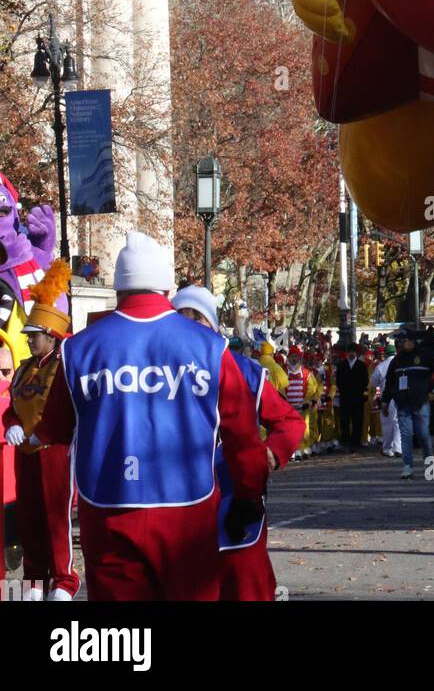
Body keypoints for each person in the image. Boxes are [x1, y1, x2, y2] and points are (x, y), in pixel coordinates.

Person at [34, 231, 268, 601]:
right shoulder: (210, 347)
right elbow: (243, 436)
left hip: (108, 512)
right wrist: (248, 496)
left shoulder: (78, 350)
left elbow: (53, 431)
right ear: (166, 287)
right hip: (188, 513)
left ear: (119, 288)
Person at [173, 285, 305, 601]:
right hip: (177, 509)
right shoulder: (156, 371)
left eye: (198, 320)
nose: (191, 328)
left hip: (234, 503)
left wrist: (271, 453)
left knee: (247, 587)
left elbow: (289, 422)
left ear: (213, 324)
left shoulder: (244, 370)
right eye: (182, 320)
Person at [1, 260, 79, 601]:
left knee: (55, 522)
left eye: (34, 337)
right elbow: (13, 410)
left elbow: (70, 411)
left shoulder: (65, 368)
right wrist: (13, 427)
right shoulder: (23, 370)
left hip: (55, 456)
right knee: (29, 521)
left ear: (50, 335)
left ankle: (64, 581)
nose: (29, 342)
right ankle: (33, 582)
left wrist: (43, 434)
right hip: (26, 457)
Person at [381, 328, 434, 479]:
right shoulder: (397, 360)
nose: (403, 344)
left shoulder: (426, 355)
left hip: (421, 403)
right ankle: (407, 467)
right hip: (403, 403)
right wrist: (385, 401)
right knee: (406, 435)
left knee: (423, 435)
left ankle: (430, 467)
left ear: (413, 340)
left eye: (405, 340)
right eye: (401, 341)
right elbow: (390, 382)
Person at [336, 341, 368, 451]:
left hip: (358, 397)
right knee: (344, 420)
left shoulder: (362, 365)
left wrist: (363, 394)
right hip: (345, 397)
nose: (351, 354)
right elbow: (338, 381)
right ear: (346, 353)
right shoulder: (341, 365)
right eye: (349, 352)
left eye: (353, 352)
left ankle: (356, 441)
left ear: (357, 353)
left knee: (357, 420)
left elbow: (365, 381)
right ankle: (344, 441)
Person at [371, 344, 401, 459]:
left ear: (385, 354)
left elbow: (373, 383)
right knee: (398, 421)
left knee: (388, 422)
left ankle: (388, 448)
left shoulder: (381, 366)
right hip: (401, 396)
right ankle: (398, 447)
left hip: (387, 397)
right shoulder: (401, 364)